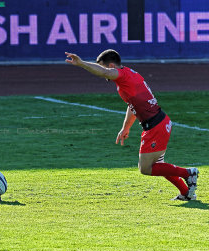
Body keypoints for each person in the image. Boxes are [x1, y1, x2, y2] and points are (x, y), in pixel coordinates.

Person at [65, 49, 199, 201]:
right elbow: (132, 104)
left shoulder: (121, 75)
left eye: (103, 67)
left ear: (110, 65)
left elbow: (105, 73)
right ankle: (186, 193)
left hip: (156, 125)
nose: (103, 75)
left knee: (146, 168)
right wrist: (126, 127)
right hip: (158, 123)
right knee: (158, 164)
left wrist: (81, 63)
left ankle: (189, 173)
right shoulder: (128, 76)